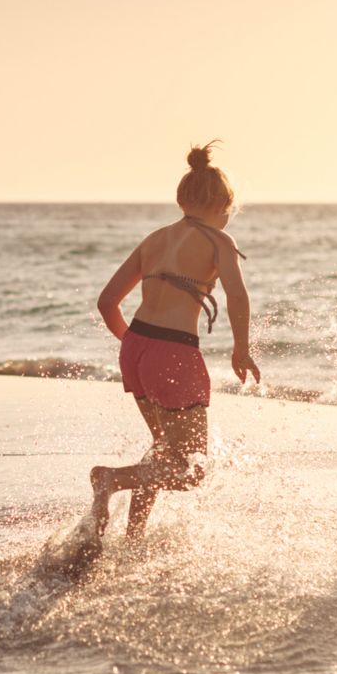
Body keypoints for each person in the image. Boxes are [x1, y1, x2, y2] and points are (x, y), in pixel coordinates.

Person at [91, 141, 260, 538]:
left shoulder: (155, 239)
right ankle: (110, 480)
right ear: (225, 205)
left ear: (182, 199)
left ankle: (134, 536)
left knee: (165, 449)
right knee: (192, 469)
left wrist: (134, 348)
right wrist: (241, 349)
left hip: (137, 345)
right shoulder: (220, 241)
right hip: (173, 351)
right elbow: (237, 295)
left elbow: (106, 303)